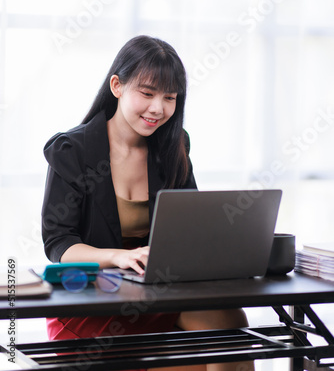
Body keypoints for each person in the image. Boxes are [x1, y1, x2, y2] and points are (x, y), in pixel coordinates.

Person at [41, 35, 254, 371]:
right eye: (147, 93)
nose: (159, 108)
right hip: (91, 302)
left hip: (154, 294)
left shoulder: (172, 146)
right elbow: (58, 244)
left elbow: (192, 225)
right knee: (198, 365)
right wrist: (119, 257)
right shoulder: (73, 150)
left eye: (169, 97)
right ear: (117, 86)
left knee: (233, 327)